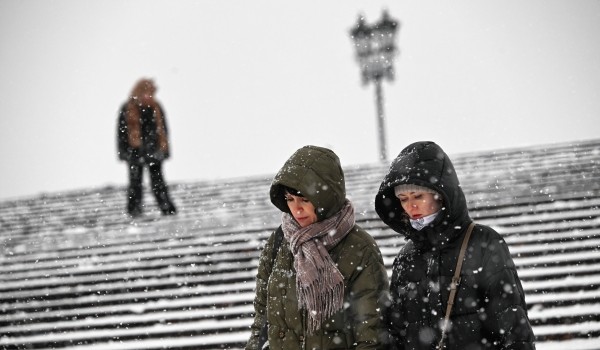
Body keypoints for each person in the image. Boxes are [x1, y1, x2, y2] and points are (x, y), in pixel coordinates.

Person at [374, 141, 535, 350]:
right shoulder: (407, 256)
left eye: (418, 196)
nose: (410, 206)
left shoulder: (483, 242)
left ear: (440, 194)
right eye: (403, 199)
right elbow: (396, 331)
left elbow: (512, 324)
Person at [246, 145, 389, 350]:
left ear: (326, 198)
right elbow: (262, 321)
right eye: (290, 199)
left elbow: (371, 332)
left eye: (305, 199)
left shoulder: (359, 247)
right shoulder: (279, 242)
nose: (296, 209)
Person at [117, 78, 176, 217]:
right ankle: (134, 210)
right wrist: (125, 152)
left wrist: (164, 150)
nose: (149, 96)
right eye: (147, 93)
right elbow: (121, 133)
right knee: (135, 183)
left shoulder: (156, 107)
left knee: (158, 182)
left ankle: (167, 208)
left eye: (151, 93)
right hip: (135, 153)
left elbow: (163, 130)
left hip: (154, 151)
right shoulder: (127, 108)